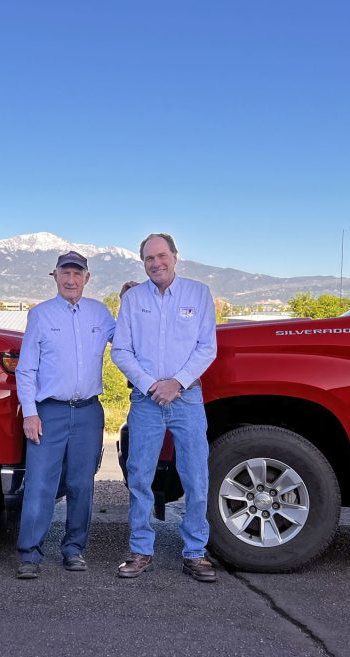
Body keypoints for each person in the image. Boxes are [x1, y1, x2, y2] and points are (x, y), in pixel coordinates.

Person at [111, 233, 218, 582]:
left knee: (196, 477)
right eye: (148, 259)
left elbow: (207, 348)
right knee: (140, 476)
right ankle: (141, 550)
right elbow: (121, 350)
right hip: (146, 400)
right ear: (143, 263)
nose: (156, 263)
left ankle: (195, 553)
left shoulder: (198, 294)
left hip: (186, 398)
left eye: (161, 256)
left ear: (175, 256)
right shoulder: (132, 299)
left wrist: (177, 382)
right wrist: (150, 384)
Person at [14, 251, 116, 579]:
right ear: (55, 276)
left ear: (87, 278)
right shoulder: (40, 315)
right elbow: (26, 369)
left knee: (81, 485)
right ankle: (30, 554)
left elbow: (129, 342)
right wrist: (30, 413)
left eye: (78, 274)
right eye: (65, 273)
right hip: (49, 412)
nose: (71, 280)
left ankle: (74, 549)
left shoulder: (100, 314)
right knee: (40, 484)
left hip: (88, 412)